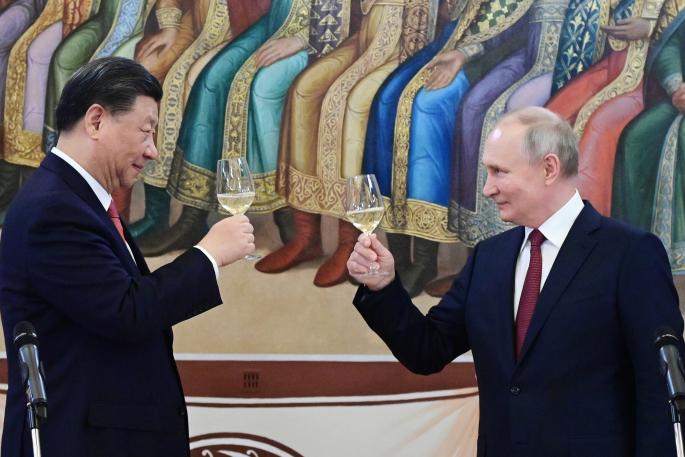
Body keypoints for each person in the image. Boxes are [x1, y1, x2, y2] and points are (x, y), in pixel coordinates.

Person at [347, 106, 684, 456]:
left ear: (549, 168)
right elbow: (427, 350)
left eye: (499, 172)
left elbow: (658, 390)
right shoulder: (488, 258)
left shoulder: (630, 253)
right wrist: (383, 286)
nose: (487, 189)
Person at [0, 57, 255, 457]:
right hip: (81, 442)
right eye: (146, 131)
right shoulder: (53, 209)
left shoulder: (77, 201)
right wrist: (209, 254)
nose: (153, 151)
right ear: (96, 121)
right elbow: (126, 310)